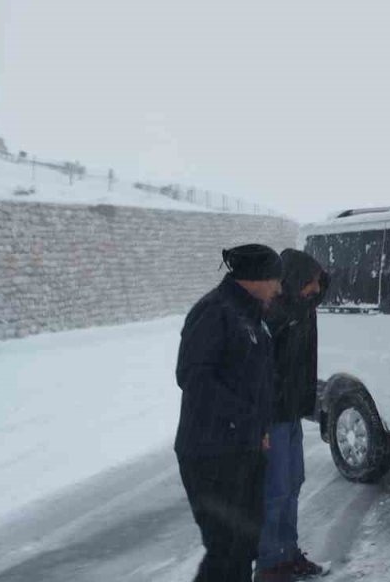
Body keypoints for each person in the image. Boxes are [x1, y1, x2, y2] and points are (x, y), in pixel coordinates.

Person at [175, 244, 282, 582]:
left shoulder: (250, 313)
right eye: (276, 280)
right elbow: (193, 377)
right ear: (255, 279)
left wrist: (259, 430)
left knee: (245, 543)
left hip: (243, 448)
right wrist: (245, 418)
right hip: (211, 454)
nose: (279, 288)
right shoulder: (214, 312)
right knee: (226, 548)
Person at [256, 250, 329, 581]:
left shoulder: (304, 309)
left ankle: (288, 554)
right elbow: (254, 373)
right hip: (271, 417)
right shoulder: (271, 316)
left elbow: (325, 288)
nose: (316, 289)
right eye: (311, 282)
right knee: (275, 492)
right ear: (296, 281)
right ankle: (270, 566)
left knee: (293, 484)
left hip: (292, 414)